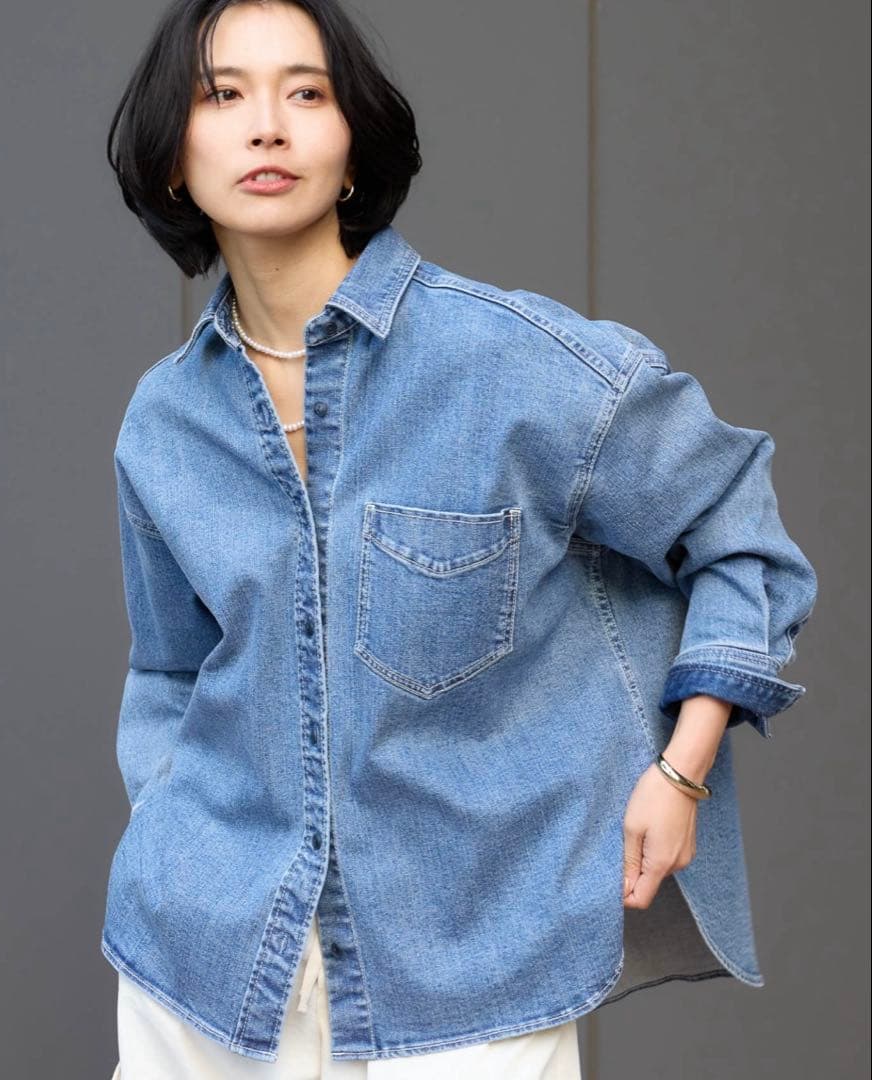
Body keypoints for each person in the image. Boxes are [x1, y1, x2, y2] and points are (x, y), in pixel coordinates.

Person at [100, 1, 819, 1077]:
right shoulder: (165, 420)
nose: (267, 125)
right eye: (224, 94)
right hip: (207, 960)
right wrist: (173, 841)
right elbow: (169, 669)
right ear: (173, 158)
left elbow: (739, 537)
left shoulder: (511, 366)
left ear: (354, 148)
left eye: (306, 92)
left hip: (476, 958)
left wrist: (683, 770)